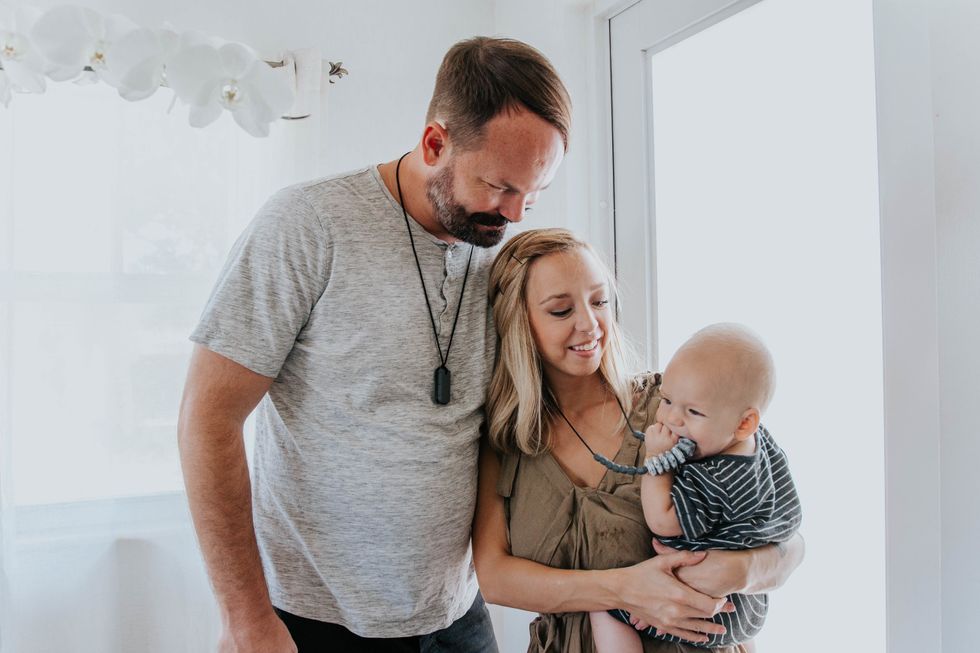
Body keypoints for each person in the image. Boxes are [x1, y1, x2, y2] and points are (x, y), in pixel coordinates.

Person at [177, 37, 569, 653]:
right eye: (499, 186)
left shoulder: (501, 252)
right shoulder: (307, 225)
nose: (515, 214)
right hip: (313, 619)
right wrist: (245, 619)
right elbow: (207, 420)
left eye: (533, 192)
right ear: (435, 142)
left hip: (456, 613)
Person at [472, 229, 805, 653]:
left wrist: (742, 569)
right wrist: (620, 590)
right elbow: (495, 577)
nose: (589, 325)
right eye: (560, 310)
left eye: (599, 301)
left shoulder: (676, 407)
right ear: (519, 322)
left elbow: (787, 539)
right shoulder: (507, 442)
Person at [589, 324, 803, 652]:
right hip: (748, 605)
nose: (672, 419)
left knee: (603, 605)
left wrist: (658, 462)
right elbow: (789, 517)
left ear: (744, 423)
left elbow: (663, 520)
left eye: (693, 412)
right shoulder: (758, 445)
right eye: (668, 400)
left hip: (711, 608)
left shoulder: (720, 479)